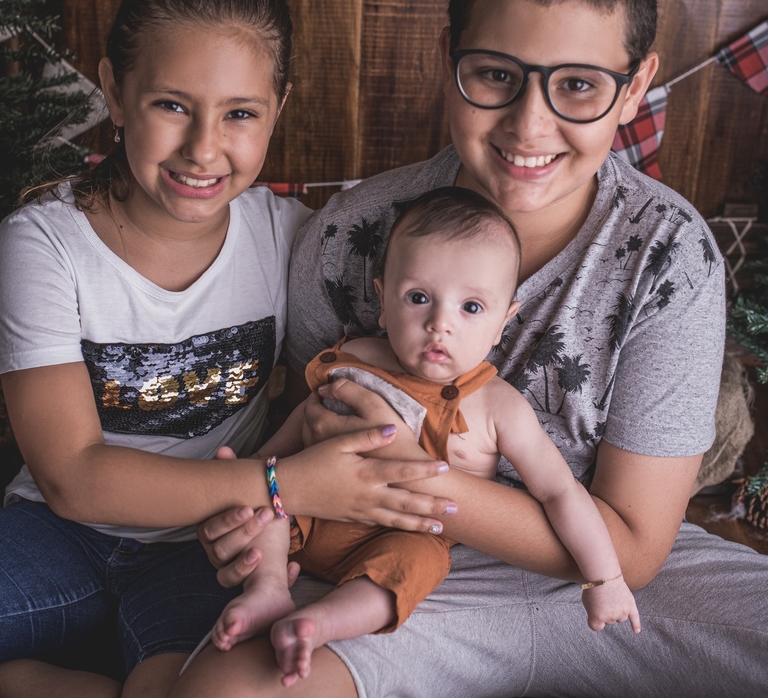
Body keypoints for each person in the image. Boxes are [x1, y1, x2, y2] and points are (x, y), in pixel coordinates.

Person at [170, 0, 768, 697]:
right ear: (448, 57)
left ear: (636, 88)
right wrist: (258, 513)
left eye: (578, 84)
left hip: (609, 578)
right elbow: (307, 453)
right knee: (222, 692)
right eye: (496, 75)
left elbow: (634, 547)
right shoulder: (350, 235)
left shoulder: (669, 255)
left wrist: (422, 476)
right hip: (389, 563)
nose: (529, 125)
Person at [0, 0, 456, 698]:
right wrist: (284, 482)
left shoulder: (291, 237)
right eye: (171, 105)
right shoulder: (44, 243)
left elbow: (352, 377)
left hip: (213, 549)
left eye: (239, 114)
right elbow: (74, 477)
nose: (203, 149)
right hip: (61, 533)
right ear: (114, 91)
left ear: (278, 107)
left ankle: (24, 681)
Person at [210, 186, 640, 686]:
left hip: (402, 535)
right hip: (314, 507)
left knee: (417, 564)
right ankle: (268, 590)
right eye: (418, 298)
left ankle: (321, 622)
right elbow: (302, 426)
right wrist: (253, 473)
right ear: (383, 302)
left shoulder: (498, 406)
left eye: (471, 308)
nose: (440, 325)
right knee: (274, 500)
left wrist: (605, 578)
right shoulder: (356, 358)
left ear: (503, 322)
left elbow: (560, 492)